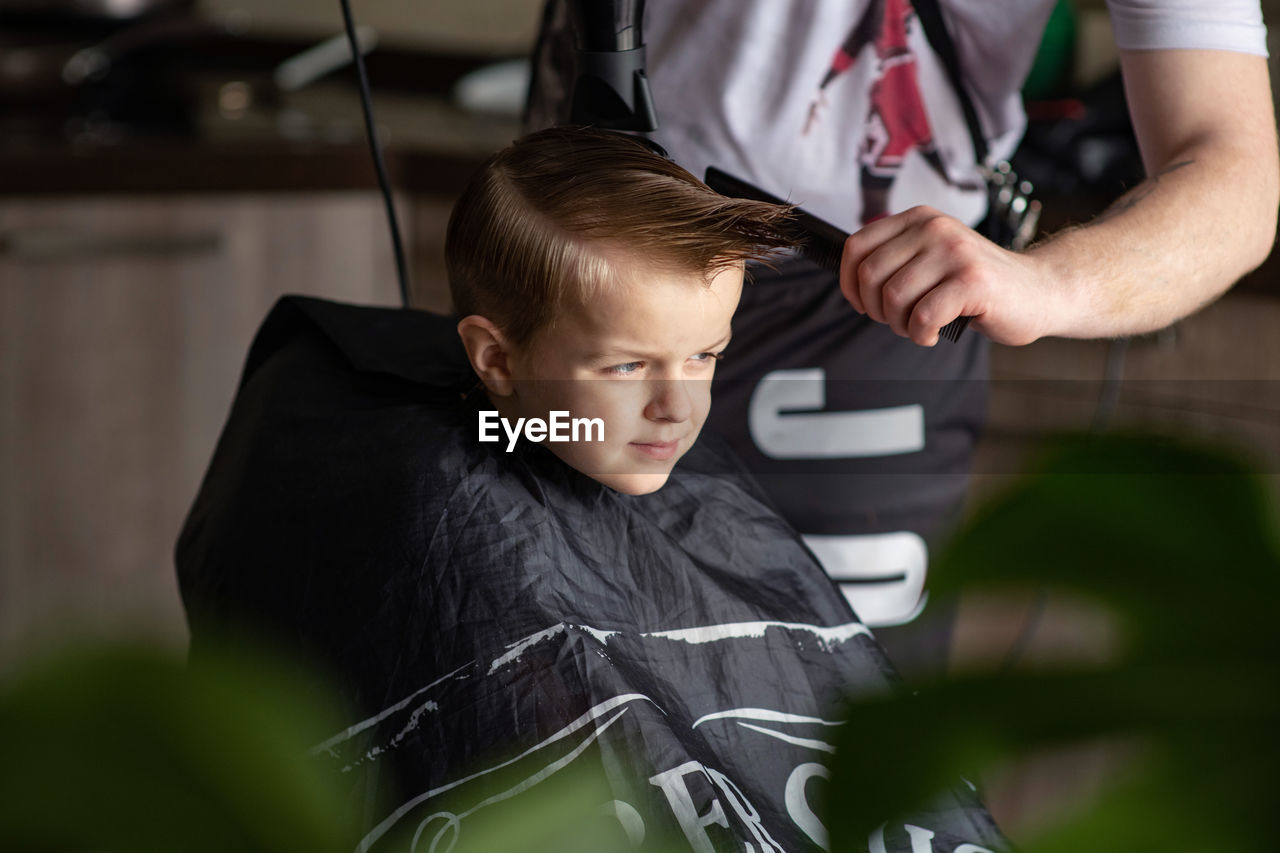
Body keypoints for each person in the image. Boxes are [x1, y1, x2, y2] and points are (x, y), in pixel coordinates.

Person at [177, 126, 1010, 851]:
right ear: (495, 360)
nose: (676, 406)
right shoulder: (439, 509)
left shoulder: (586, 433)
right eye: (626, 365)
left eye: (705, 355)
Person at [526, 0, 1279, 676]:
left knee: (828, 723)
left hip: (870, 307)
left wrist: (1046, 283)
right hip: (600, 267)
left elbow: (1232, 174)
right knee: (549, 677)